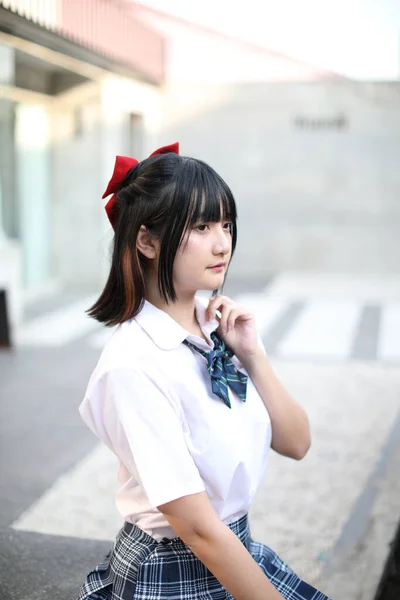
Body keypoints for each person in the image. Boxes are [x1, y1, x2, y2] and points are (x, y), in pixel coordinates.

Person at [77, 143, 332, 600]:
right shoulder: (133, 364)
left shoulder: (218, 327)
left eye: (226, 224)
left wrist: (252, 356)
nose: (222, 243)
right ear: (147, 241)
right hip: (174, 567)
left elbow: (297, 442)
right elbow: (195, 528)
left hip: (236, 549)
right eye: (201, 226)